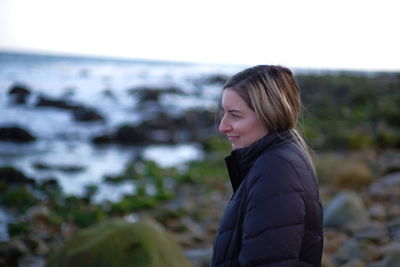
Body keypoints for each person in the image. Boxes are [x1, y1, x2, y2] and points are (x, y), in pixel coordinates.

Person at [211, 65, 323, 266]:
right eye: (224, 113)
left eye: (235, 115)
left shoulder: (277, 172)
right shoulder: (276, 160)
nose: (222, 126)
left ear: (269, 114)